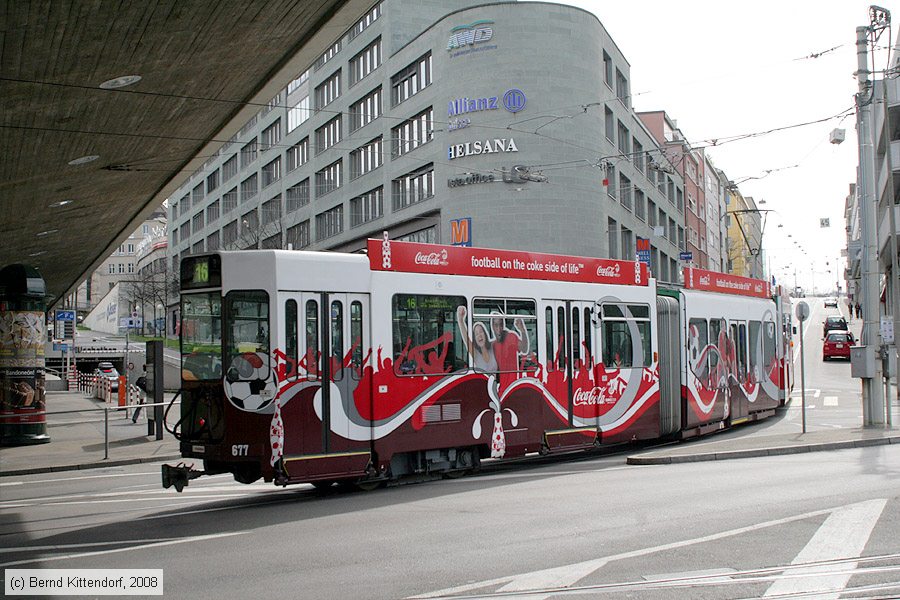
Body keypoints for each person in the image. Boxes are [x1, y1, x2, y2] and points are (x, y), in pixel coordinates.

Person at [456, 306, 498, 373]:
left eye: (481, 331)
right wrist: (460, 320)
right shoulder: (476, 354)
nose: (479, 335)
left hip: (497, 383)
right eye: (476, 334)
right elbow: (467, 340)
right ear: (475, 339)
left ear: (485, 334)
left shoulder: (493, 346)